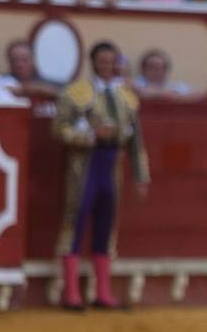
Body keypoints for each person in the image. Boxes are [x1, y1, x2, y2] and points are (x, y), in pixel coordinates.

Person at [52, 40, 150, 312]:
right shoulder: (75, 93)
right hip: (83, 164)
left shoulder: (126, 97)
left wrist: (141, 175)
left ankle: (103, 293)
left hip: (111, 164)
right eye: (101, 60)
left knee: (107, 225)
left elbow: (136, 141)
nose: (106, 65)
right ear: (92, 62)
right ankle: (72, 294)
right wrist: (89, 136)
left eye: (111, 61)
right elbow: (59, 130)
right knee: (75, 221)